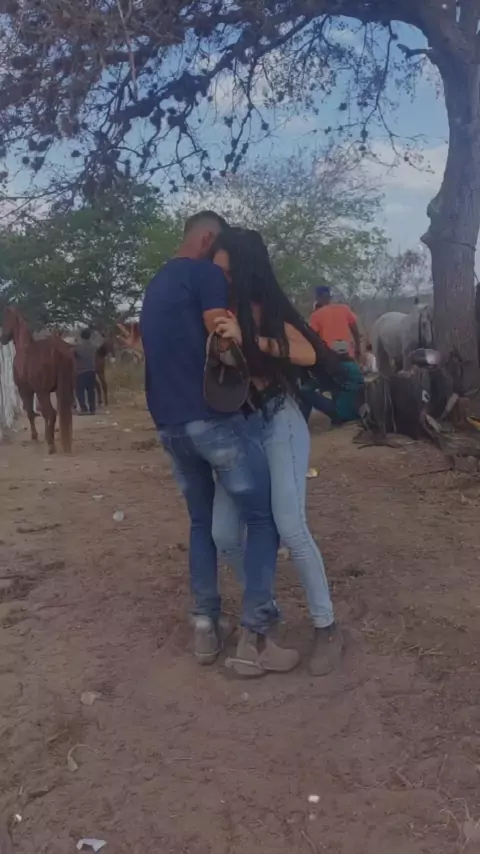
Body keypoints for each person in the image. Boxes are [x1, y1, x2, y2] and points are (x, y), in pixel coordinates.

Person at [139, 211, 299, 677]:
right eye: (220, 249)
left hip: (168, 427)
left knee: (200, 523)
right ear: (207, 238)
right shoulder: (204, 274)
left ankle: (205, 625)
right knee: (262, 518)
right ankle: (256, 637)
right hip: (211, 421)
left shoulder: (155, 285)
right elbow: (219, 332)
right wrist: (240, 345)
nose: (223, 266)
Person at [210, 228, 344, 676]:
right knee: (224, 534)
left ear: (246, 269)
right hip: (236, 429)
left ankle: (327, 626)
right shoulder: (215, 311)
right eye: (217, 272)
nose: (223, 280)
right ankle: (263, 617)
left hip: (277, 420)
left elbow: (309, 354)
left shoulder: (265, 311)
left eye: (228, 272)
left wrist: (252, 341)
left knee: (290, 524)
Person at [298, 340, 365, 425]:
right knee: (306, 391)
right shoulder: (352, 365)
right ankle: (302, 422)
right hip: (355, 411)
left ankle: (301, 422)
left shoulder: (336, 367)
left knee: (305, 392)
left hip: (343, 413)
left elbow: (327, 383)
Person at [310, 286, 361, 360]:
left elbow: (312, 336)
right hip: (347, 355)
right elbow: (355, 331)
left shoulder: (315, 315)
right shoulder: (344, 309)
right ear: (329, 297)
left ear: (317, 298)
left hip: (328, 356)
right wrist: (358, 349)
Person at [74, 328, 97, 415]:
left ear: (81, 336)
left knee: (80, 391)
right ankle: (92, 409)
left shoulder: (77, 347)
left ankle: (83, 408)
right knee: (91, 391)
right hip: (92, 371)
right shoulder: (93, 346)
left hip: (80, 372)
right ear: (89, 336)